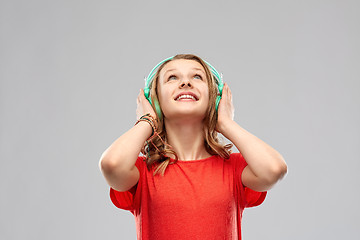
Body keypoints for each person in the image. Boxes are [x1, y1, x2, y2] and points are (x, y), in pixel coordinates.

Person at [99, 54, 287, 240]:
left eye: (197, 76)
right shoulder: (143, 172)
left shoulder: (233, 168)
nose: (186, 83)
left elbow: (274, 169)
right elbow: (112, 165)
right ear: (154, 102)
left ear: (215, 99)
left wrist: (225, 123)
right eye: (172, 77)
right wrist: (147, 120)